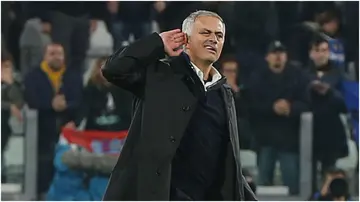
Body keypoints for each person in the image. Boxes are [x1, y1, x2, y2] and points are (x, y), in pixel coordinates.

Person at [101, 10, 256, 201]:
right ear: (186, 40)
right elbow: (113, 69)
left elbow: (227, 160)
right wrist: (156, 43)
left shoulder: (224, 93)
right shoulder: (159, 74)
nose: (213, 39)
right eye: (205, 33)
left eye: (219, 35)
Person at [247, 40, 310, 195]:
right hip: (265, 138)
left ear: (286, 56)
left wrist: (290, 108)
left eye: (281, 53)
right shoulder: (258, 77)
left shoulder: (297, 75)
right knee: (262, 186)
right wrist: (272, 107)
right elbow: (251, 105)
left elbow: (307, 103)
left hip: (289, 137)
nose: (278, 57)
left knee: (293, 184)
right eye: (274, 54)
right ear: (267, 57)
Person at [24, 43, 83, 199]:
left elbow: (80, 100)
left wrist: (71, 115)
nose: (57, 57)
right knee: (42, 168)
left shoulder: (73, 75)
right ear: (44, 56)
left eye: (60, 53)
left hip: (67, 131)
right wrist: (51, 105)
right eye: (52, 53)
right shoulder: (32, 76)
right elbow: (31, 101)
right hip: (40, 132)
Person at [306, 35, 349, 190]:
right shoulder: (302, 73)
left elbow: (346, 103)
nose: (322, 54)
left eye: (325, 50)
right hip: (309, 130)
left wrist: (329, 91)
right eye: (318, 50)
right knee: (307, 172)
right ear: (311, 53)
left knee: (329, 170)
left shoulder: (339, 74)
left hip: (332, 131)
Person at [1, 51, 24, 183]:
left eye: (7, 66)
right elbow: (11, 106)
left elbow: (19, 103)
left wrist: (9, 84)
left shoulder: (13, 83)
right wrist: (7, 106)